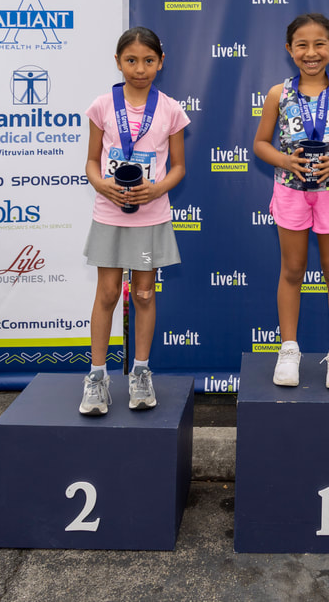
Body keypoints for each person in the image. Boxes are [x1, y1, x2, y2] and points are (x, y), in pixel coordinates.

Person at [253, 13, 329, 389]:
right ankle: (289, 350)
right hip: (290, 192)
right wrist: (285, 160)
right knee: (292, 270)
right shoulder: (278, 94)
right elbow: (260, 144)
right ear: (289, 50)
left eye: (320, 44)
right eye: (302, 45)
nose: (311, 52)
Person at [79, 27, 189, 416]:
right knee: (108, 293)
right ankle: (97, 377)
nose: (139, 69)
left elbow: (178, 167)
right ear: (118, 62)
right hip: (110, 214)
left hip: (150, 216)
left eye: (148, 61)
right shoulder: (102, 106)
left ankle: (141, 372)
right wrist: (101, 185)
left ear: (161, 62)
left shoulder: (171, 109)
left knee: (143, 294)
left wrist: (156, 190)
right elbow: (92, 161)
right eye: (131, 60)